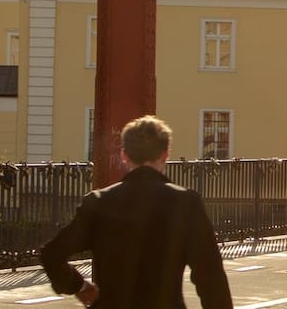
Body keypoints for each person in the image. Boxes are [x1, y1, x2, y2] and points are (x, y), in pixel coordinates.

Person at [41, 115, 232, 308]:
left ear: (124, 155)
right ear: (165, 154)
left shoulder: (99, 202)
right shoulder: (186, 203)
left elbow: (52, 254)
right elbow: (210, 276)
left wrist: (79, 286)